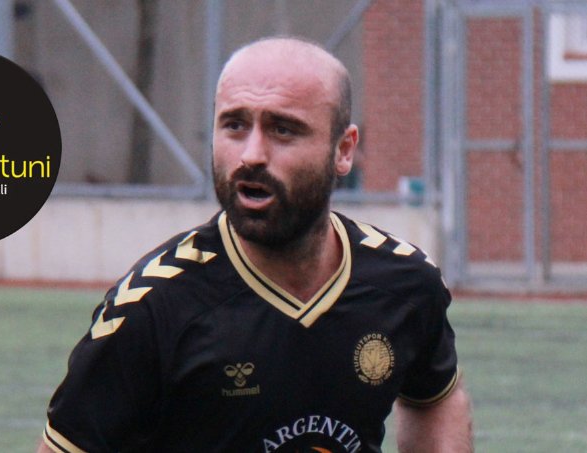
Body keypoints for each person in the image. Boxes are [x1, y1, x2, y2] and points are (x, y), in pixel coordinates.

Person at [37, 36, 473, 453]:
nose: (251, 155)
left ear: (343, 150)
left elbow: (436, 399)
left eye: (283, 130)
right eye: (234, 125)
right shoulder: (153, 307)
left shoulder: (406, 283)